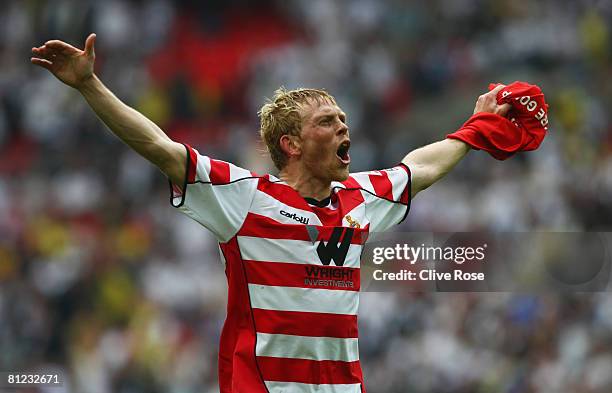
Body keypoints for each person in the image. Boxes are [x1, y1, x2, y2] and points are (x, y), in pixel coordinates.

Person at [31, 34, 511, 393]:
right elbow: (159, 146)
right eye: (327, 121)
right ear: (292, 144)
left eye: (343, 120)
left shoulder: (361, 196)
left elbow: (419, 168)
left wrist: (476, 127)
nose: (343, 126)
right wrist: (90, 84)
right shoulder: (245, 197)